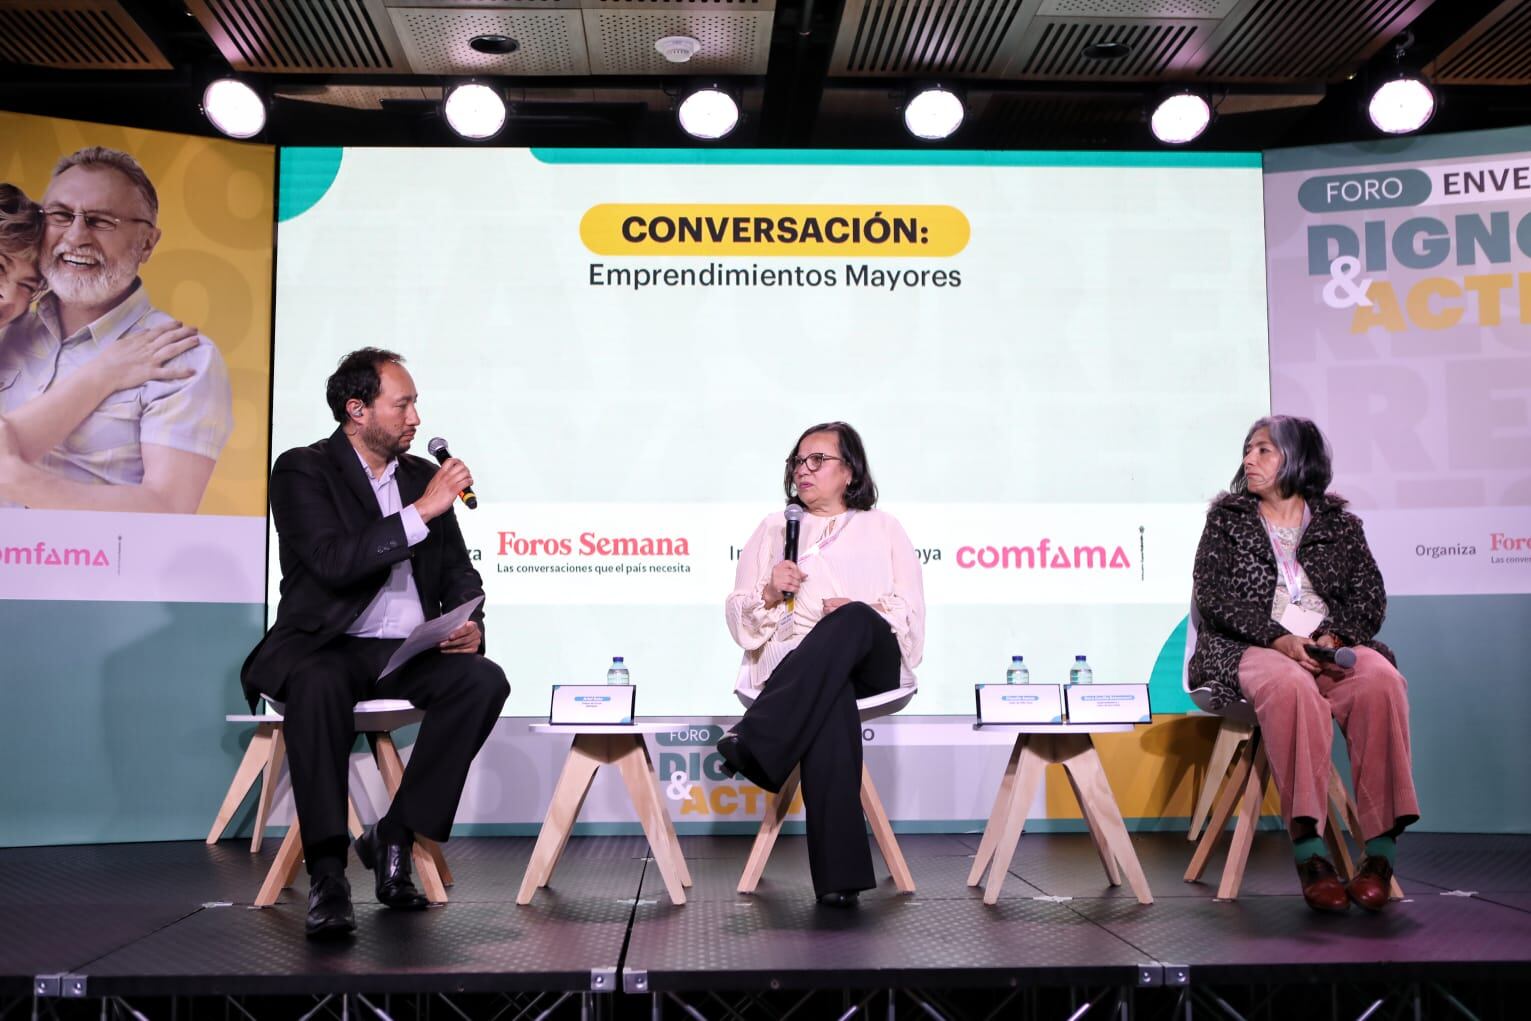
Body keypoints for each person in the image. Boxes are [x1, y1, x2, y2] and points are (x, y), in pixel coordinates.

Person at [241, 348, 509, 940]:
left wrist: (469, 621)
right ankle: (330, 875)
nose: (416, 417)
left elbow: (460, 571)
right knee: (315, 686)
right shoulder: (302, 469)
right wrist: (424, 510)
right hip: (328, 646)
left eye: (415, 403)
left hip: (407, 650)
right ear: (356, 409)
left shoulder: (418, 476)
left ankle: (397, 832)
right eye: (403, 403)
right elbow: (334, 562)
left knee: (483, 679)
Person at [1189, 415, 1419, 914]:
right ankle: (1311, 853)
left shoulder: (1340, 525)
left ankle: (1379, 854)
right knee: (1292, 687)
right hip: (1249, 647)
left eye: (1264, 450)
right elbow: (1214, 597)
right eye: (1247, 450)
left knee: (1381, 682)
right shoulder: (1227, 521)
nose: (1249, 459)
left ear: (1298, 458)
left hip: (1326, 644)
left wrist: (1335, 636)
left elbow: (1370, 596)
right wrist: (1279, 638)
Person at [716, 421, 924, 907]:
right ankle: (840, 881)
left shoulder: (884, 527)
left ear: (849, 472)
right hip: (799, 671)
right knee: (830, 703)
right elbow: (740, 618)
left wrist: (859, 610)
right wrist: (770, 591)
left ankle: (757, 735)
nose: (802, 471)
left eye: (817, 460)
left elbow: (911, 616)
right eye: (797, 461)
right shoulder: (772, 528)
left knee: (850, 618)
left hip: (871, 658)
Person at [0, 148, 232, 512]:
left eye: (101, 221)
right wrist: (103, 375)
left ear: (148, 243)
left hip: (92, 567)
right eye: (60, 215)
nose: (76, 237)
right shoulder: (6, 324)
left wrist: (15, 479)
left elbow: (167, 508)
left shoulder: (182, 355)